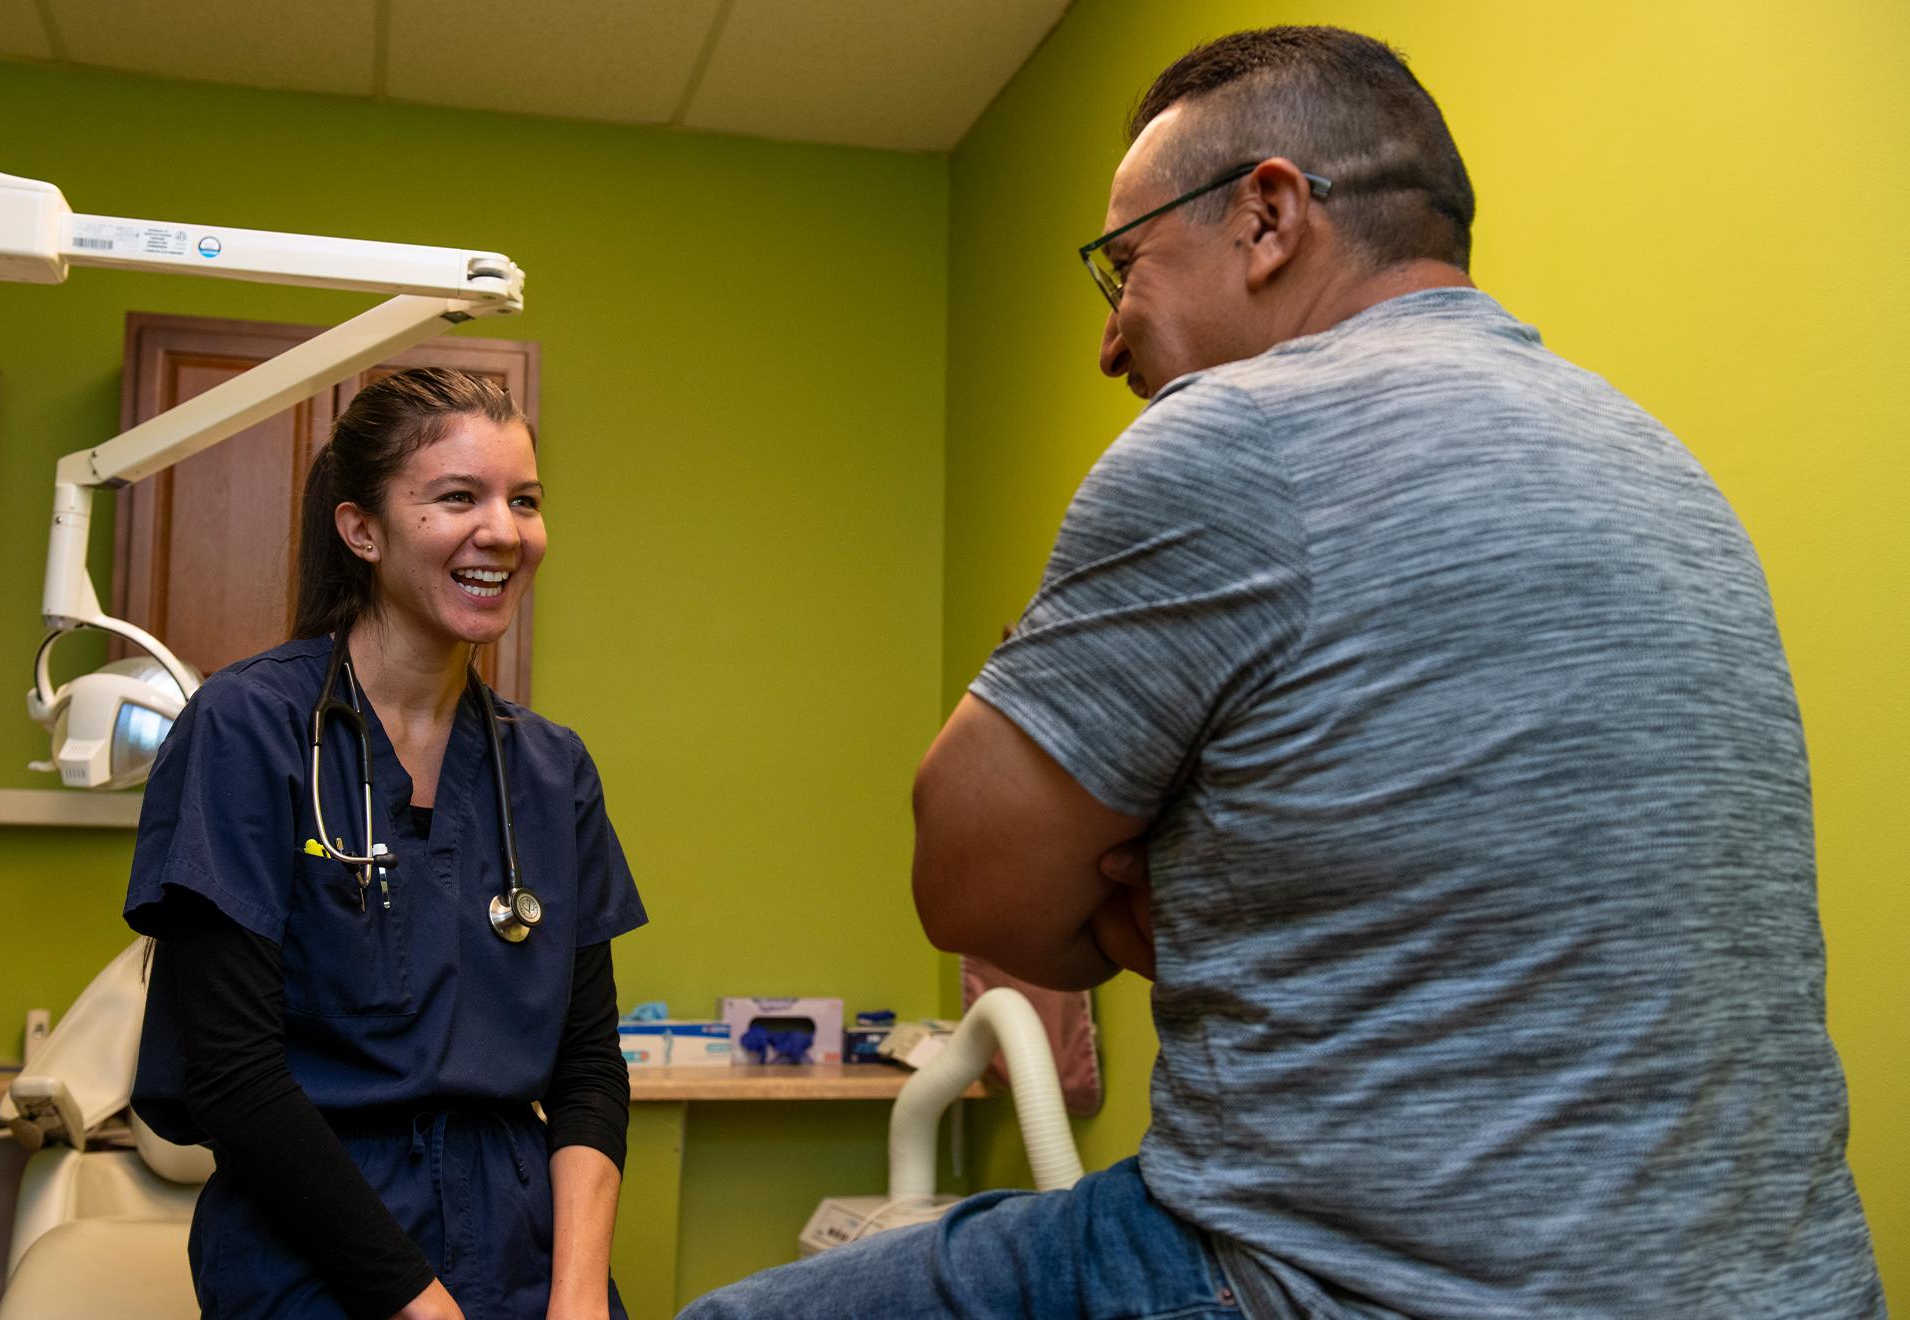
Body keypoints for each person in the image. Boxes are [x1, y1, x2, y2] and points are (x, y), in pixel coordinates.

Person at [686, 25, 1882, 1320]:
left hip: (1333, 1288)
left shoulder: (1245, 433)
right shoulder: (1664, 467)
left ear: (1266, 217)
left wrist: (1157, 868)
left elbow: (967, 880)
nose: (1108, 345)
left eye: (1123, 268)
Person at [124, 367, 647, 1320]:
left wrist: (576, 1299)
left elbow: (587, 1068)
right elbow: (234, 1077)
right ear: (362, 529)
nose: (503, 530)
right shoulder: (247, 730)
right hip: (317, 1250)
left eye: (523, 501)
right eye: (458, 497)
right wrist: (421, 1305)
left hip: (529, 1244)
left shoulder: (550, 769)